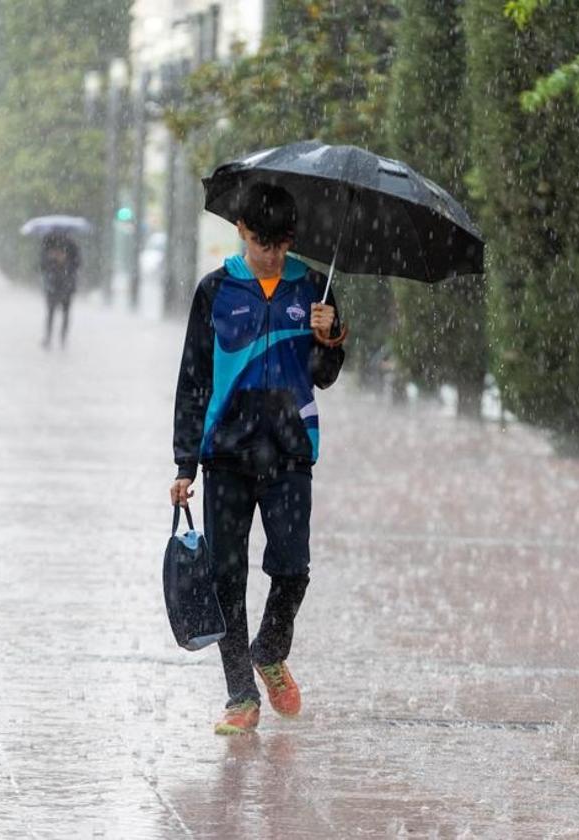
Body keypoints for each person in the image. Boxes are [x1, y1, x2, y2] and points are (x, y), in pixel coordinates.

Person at [169, 182, 346, 735]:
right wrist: (184, 464)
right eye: (259, 242)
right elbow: (193, 379)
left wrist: (330, 339)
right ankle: (240, 696)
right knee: (227, 577)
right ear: (242, 231)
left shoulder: (315, 287)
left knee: (292, 568)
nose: (270, 254)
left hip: (291, 454)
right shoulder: (215, 290)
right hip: (225, 455)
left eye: (280, 244)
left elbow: (323, 376)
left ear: (291, 239)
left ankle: (269, 648)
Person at [40, 233, 79, 348]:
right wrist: (51, 258)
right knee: (51, 312)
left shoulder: (72, 245)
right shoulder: (48, 243)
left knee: (65, 313)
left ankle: (63, 338)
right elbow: (42, 264)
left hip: (67, 285)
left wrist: (65, 261)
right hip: (52, 285)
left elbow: (77, 264)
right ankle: (48, 337)